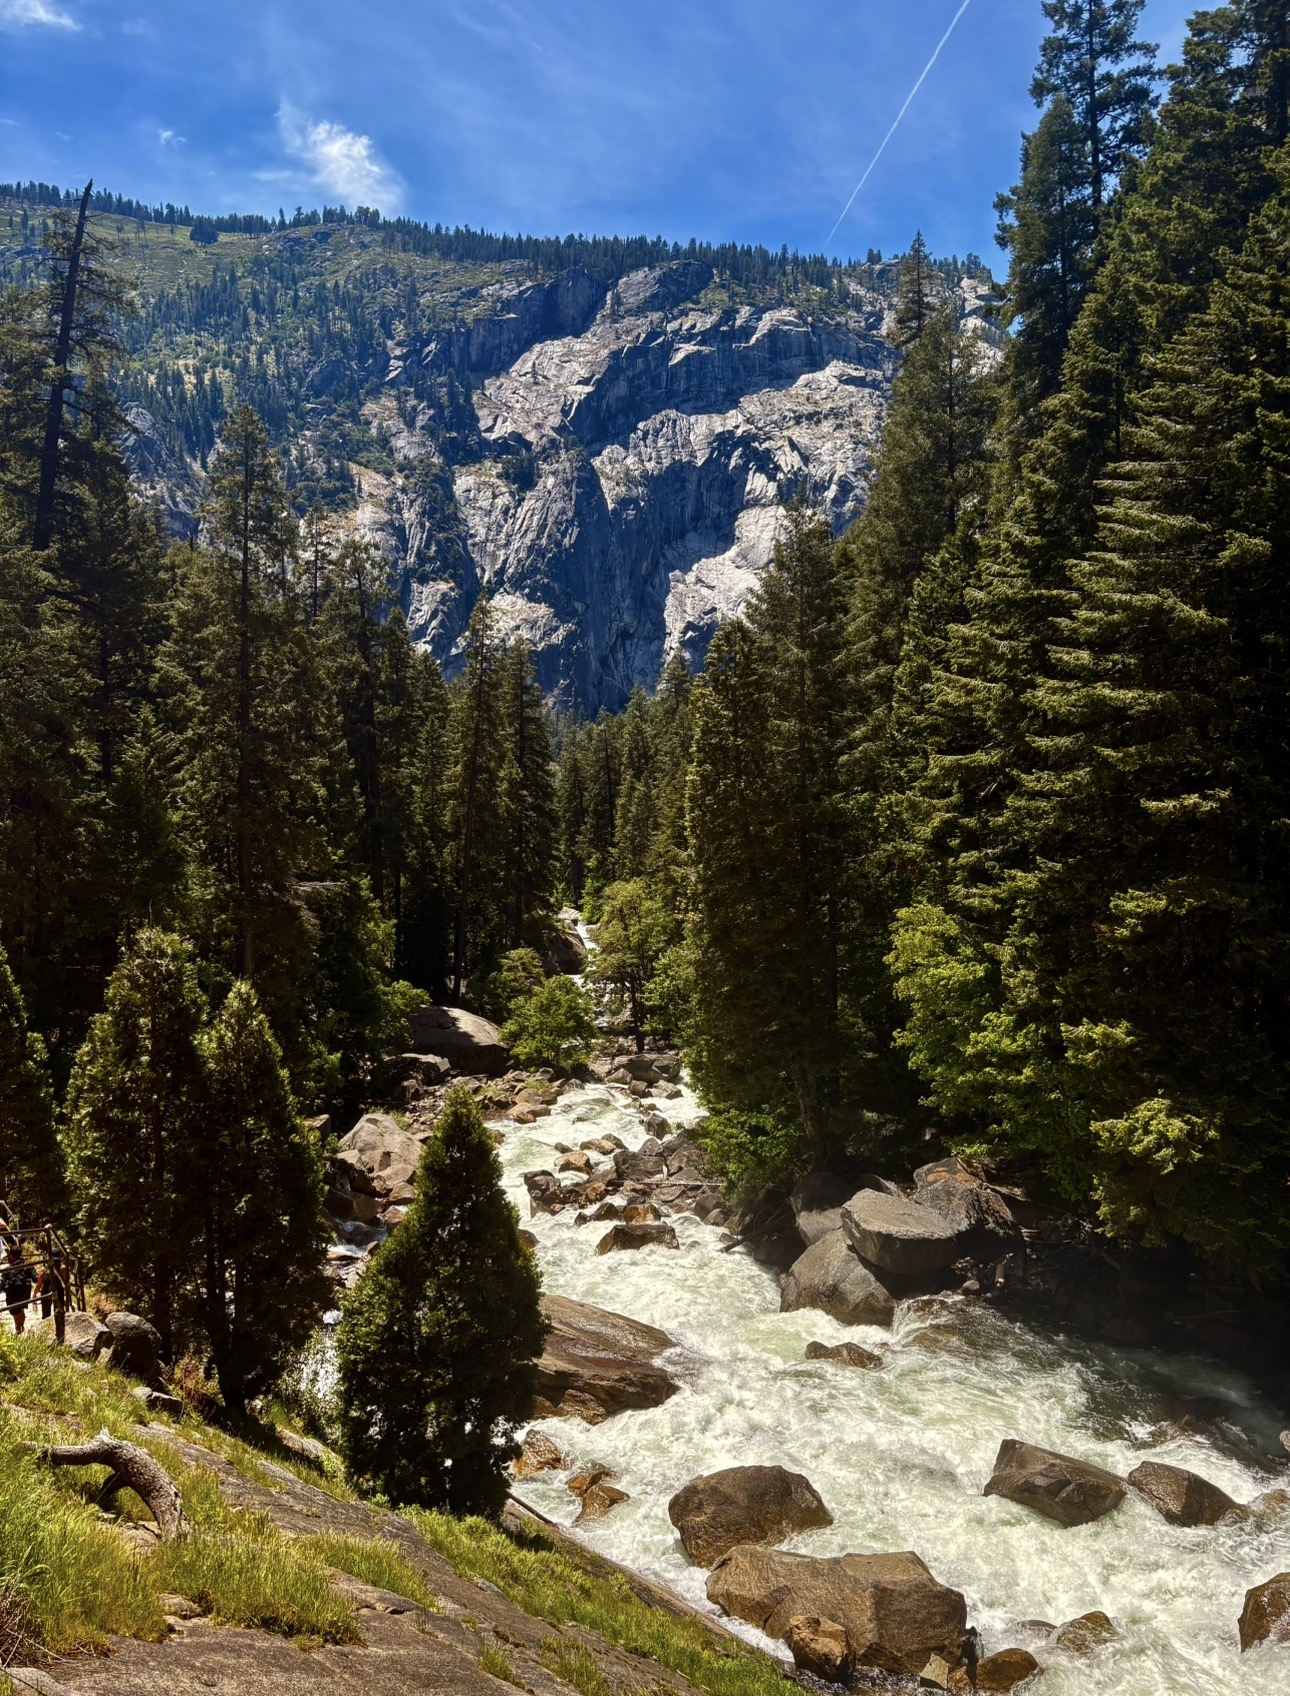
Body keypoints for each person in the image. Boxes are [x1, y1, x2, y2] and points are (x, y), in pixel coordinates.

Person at [2, 1247, 36, 1334]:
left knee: (16, 1313)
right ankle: (21, 1327)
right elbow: (35, 1278)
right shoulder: (27, 1266)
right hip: (24, 1294)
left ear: (11, 1256)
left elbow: (2, 1285)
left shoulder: (7, 1270)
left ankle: (19, 1330)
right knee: (21, 1310)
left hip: (12, 1296)